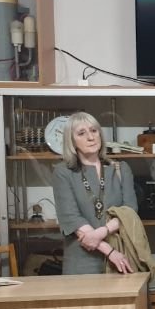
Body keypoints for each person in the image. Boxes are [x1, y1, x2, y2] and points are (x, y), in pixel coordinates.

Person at [53, 112, 137, 275]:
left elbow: (130, 210)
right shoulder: (63, 172)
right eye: (81, 133)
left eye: (94, 130)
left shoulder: (121, 169)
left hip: (122, 258)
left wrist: (101, 232)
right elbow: (71, 218)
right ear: (71, 141)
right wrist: (109, 251)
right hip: (82, 261)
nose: (90, 137)